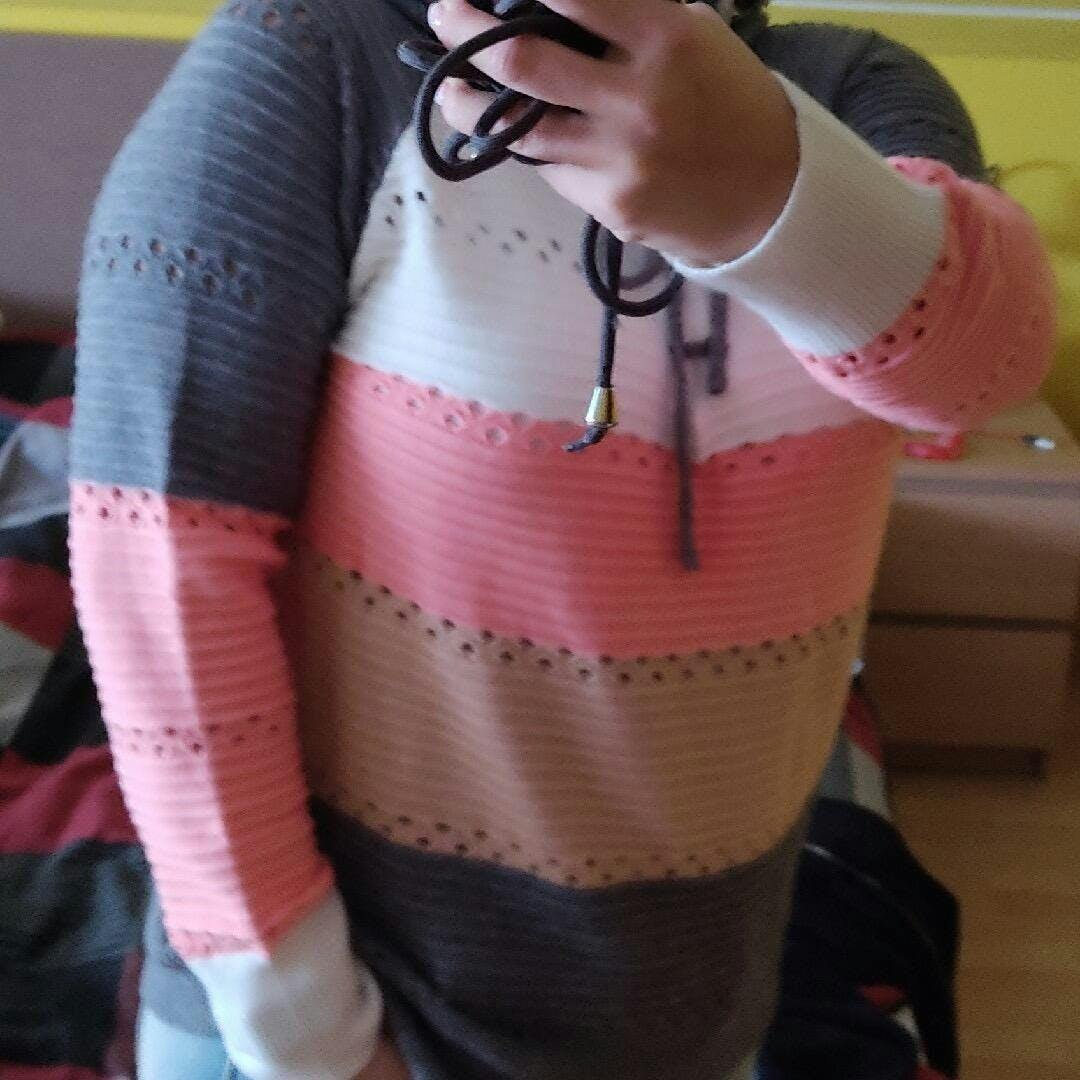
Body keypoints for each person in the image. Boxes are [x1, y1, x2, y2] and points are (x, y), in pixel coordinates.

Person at [69, 0, 1055, 1077]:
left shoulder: (858, 89)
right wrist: (311, 1035)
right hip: (333, 1008)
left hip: (703, 994)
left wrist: (768, 191)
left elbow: (976, 374)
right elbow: (161, 575)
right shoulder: (309, 65)